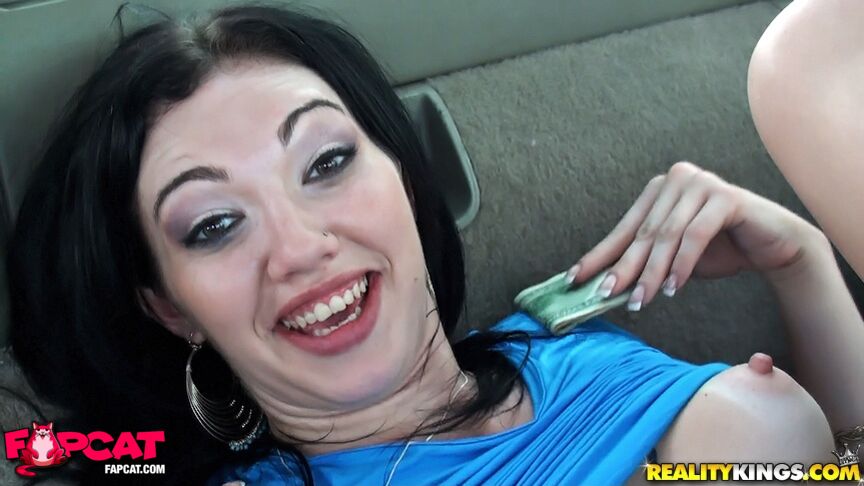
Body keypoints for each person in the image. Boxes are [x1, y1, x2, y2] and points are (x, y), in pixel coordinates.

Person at [5, 4, 858, 485]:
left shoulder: (564, 353)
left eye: (327, 163)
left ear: (406, 181)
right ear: (171, 307)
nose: (300, 248)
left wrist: (804, 264)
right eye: (215, 225)